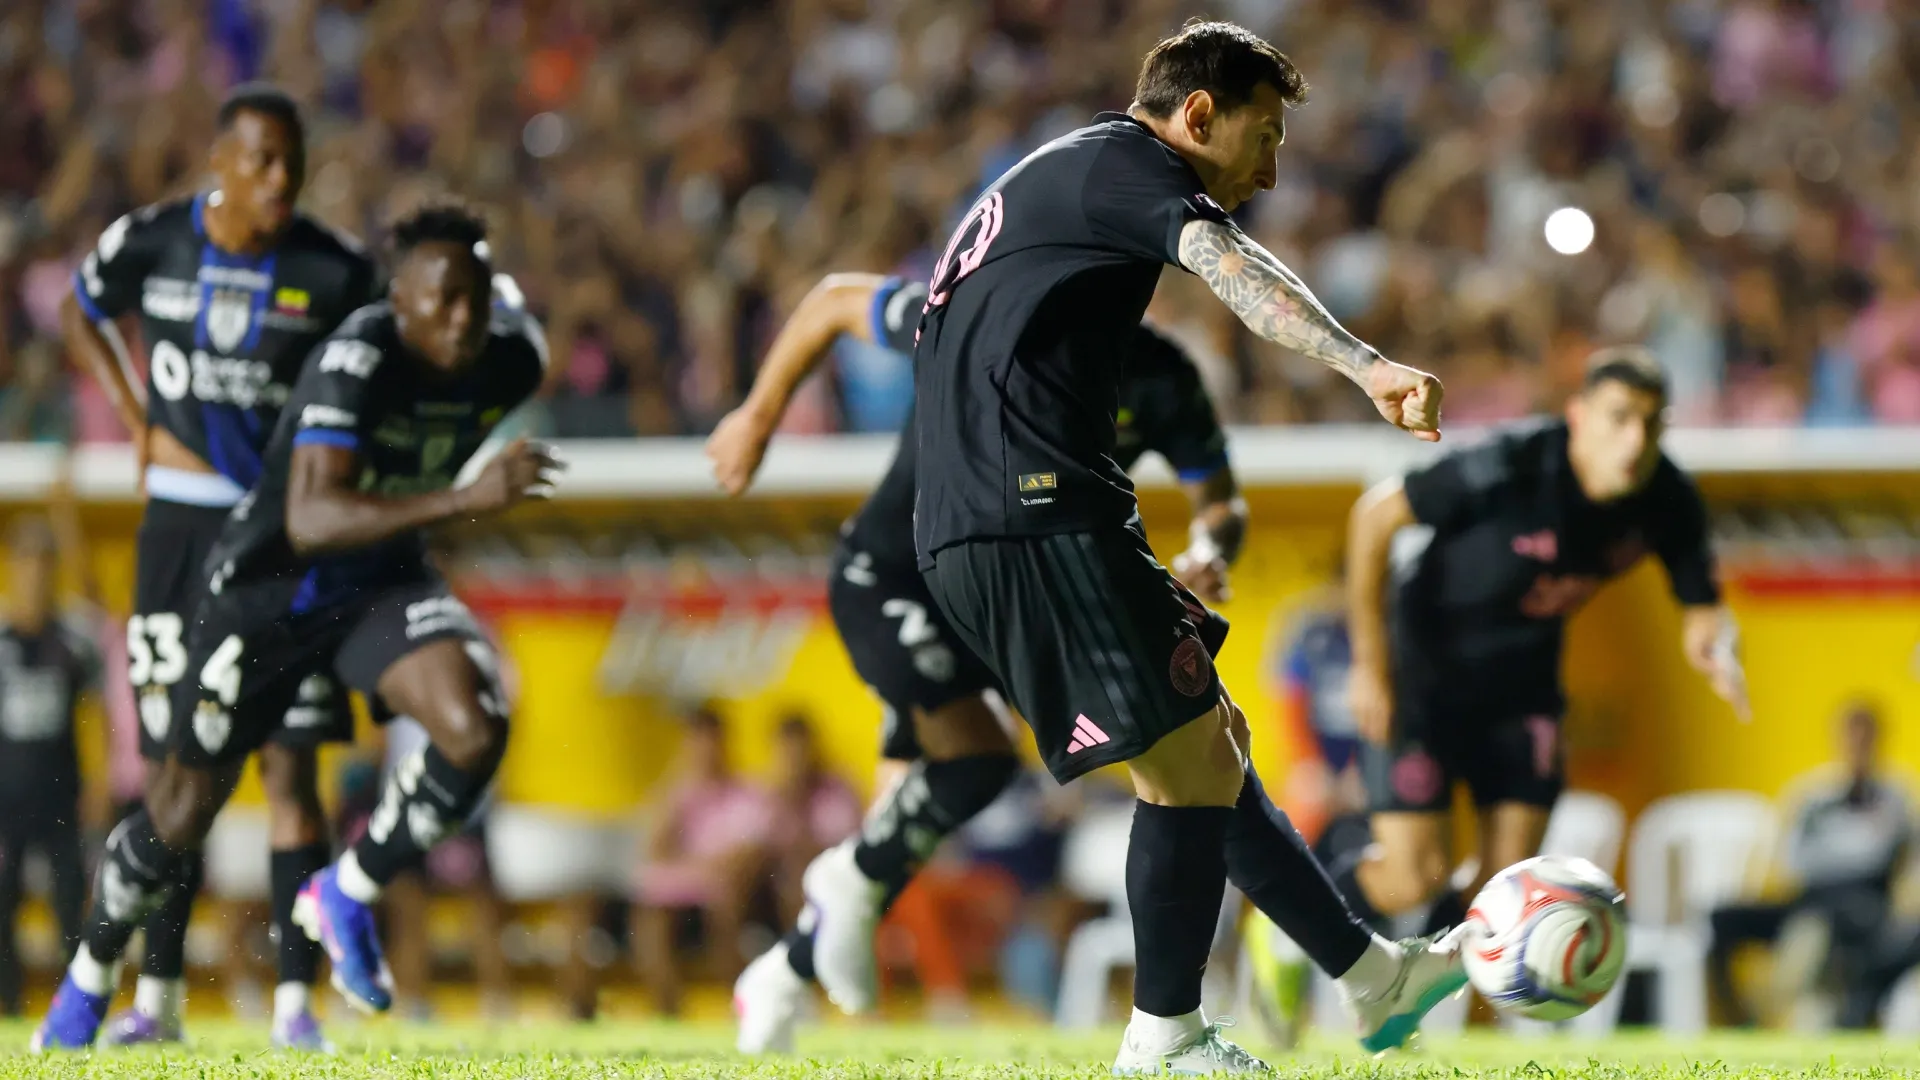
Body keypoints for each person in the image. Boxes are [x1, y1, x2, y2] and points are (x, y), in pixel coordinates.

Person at [32, 201, 560, 1051]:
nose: (465, 319)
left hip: (378, 581)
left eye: (475, 298)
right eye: (444, 300)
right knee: (179, 812)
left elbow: (501, 346)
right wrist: (466, 498)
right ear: (400, 301)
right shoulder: (358, 354)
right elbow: (310, 519)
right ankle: (90, 978)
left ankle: (348, 892)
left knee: (474, 724)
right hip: (274, 586)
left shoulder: (512, 360)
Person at [706, 268, 1252, 1054]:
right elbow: (830, 300)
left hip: (1000, 596)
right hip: (895, 576)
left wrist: (1209, 549)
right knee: (974, 766)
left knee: (905, 827)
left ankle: (783, 975)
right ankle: (826, 916)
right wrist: (758, 417)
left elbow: (1220, 500)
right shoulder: (982, 313)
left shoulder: (1161, 376)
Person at [61, 83, 379, 1050]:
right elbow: (81, 309)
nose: (281, 179)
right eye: (262, 161)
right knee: (171, 776)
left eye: (293, 162)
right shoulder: (152, 241)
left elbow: (378, 376)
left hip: (282, 543)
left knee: (291, 767)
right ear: (221, 162)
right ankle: (156, 1003)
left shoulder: (332, 272)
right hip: (178, 533)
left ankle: (295, 1008)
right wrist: (130, 411)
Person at [1329, 346, 1749, 946]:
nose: (1635, 441)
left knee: (1506, 894)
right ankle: (1288, 930)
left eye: (1652, 424)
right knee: (1415, 876)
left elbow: (1704, 610)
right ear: (1578, 415)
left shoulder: (1668, 499)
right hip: (1424, 679)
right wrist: (1370, 668)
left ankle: (1421, 1009)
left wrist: (1718, 650)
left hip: (1523, 691)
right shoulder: (1511, 464)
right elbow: (1373, 519)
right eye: (1619, 418)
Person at [1707, 702, 1913, 1028]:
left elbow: (1895, 861)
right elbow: (1789, 859)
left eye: (1865, 738)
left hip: (1862, 903)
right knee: (1721, 917)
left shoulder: (1896, 797)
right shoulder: (1812, 795)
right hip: (1809, 897)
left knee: (1822, 924)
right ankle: (1737, 1017)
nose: (1857, 746)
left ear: (1877, 740)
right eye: (1850, 737)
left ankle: (1783, 999)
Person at [0, 512, 104, 1017]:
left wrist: (100, 785)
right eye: (27, 561)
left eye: (45, 562)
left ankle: (73, 1011)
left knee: (70, 908)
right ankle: (10, 1008)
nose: (36, 574)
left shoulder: (74, 641)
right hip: (6, 800)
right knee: (3, 906)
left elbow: (98, 717)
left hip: (62, 795)